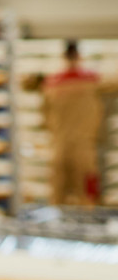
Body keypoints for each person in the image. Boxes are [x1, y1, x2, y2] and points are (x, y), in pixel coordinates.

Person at [42, 40, 103, 206]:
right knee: (88, 194)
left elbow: (45, 117)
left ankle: (56, 227)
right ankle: (90, 223)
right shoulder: (92, 81)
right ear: (79, 56)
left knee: (57, 194)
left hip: (58, 147)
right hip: (84, 147)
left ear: (64, 57)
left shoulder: (51, 84)